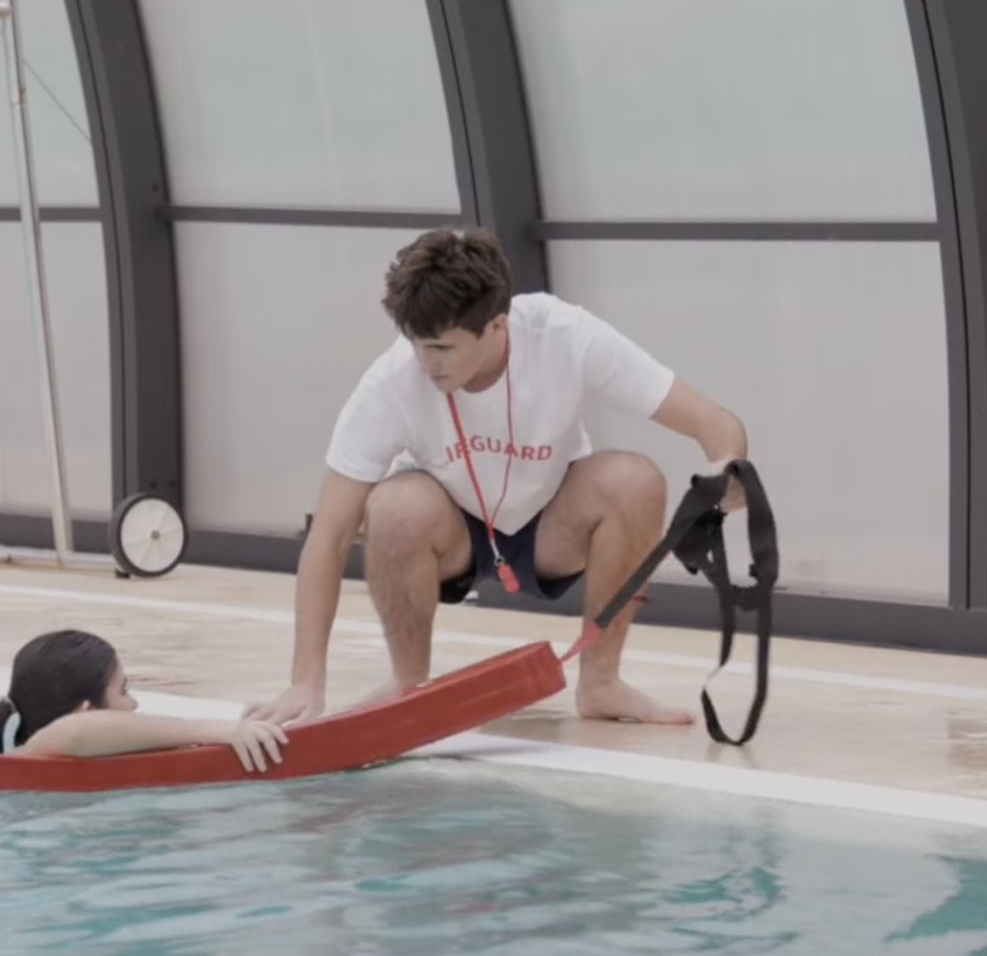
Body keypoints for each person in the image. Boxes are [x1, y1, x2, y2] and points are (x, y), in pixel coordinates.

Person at [248, 228, 748, 728]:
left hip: (550, 528)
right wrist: (305, 681)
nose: (426, 363)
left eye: (443, 347)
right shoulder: (391, 380)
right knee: (393, 506)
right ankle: (409, 684)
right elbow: (330, 536)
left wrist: (729, 474)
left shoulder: (565, 335)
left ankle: (601, 684)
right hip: (451, 536)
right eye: (416, 343)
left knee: (635, 480)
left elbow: (713, 423)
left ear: (496, 326)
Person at [0, 630, 289, 773]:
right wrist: (206, 730)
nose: (133, 705)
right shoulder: (33, 753)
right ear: (86, 711)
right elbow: (76, 731)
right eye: (123, 691)